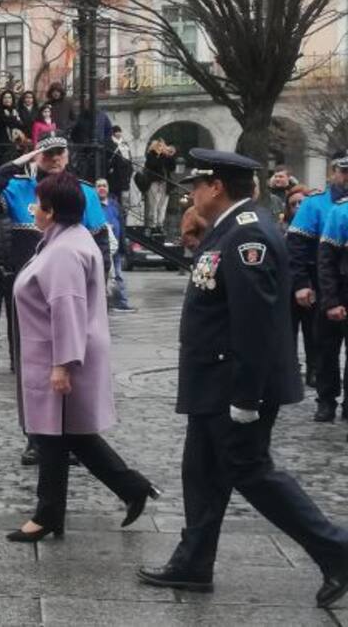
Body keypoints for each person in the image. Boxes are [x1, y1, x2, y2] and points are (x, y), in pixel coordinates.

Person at [138, 150, 348, 610]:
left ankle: (336, 549)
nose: (191, 194)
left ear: (216, 187)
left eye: (196, 185)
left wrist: (246, 396)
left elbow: (255, 324)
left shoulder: (247, 234)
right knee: (201, 472)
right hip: (212, 382)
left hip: (231, 382)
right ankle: (194, 560)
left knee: (252, 473)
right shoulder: (232, 228)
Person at [8, 172, 158, 543]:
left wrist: (63, 363)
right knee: (61, 436)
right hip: (56, 352)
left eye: (39, 205)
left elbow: (66, 308)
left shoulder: (63, 251)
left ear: (52, 210)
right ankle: (63, 508)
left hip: (56, 355)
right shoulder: (67, 241)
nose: (33, 210)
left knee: (59, 436)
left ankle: (54, 512)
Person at [0, 132, 111, 466]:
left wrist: (98, 288)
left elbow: (101, 244)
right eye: (46, 153)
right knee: (31, 370)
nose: (54, 159)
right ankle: (36, 438)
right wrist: (14, 164)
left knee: (72, 368)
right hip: (30, 298)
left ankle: (74, 437)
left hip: (71, 294)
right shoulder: (19, 188)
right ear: (36, 156)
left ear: (68, 155)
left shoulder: (85, 192)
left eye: (59, 152)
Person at [291, 152, 348, 421]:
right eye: (344, 171)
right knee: (325, 348)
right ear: (333, 172)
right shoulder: (315, 205)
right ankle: (326, 400)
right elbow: (298, 249)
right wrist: (301, 284)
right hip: (323, 285)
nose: (347, 177)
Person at [315, 179, 348, 427]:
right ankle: (326, 401)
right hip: (340, 293)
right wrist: (330, 300)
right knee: (328, 351)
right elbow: (326, 260)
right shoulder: (341, 211)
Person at [286, 187, 318, 387]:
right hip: (286, 288)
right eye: (293, 204)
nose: (298, 207)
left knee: (313, 332)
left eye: (302, 203)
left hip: (312, 285)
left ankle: (313, 369)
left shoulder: (317, 227)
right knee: (288, 332)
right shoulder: (281, 228)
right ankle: (290, 369)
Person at [97, 178, 136, 313]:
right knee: (102, 277)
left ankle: (122, 303)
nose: (102, 188)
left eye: (104, 185)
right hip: (101, 248)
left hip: (116, 247)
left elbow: (122, 225)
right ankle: (104, 305)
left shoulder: (114, 205)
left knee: (118, 275)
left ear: (108, 188)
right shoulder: (94, 205)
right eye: (99, 186)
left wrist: (123, 244)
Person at [144, 139, 178, 231]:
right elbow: (153, 165)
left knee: (162, 206)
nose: (161, 148)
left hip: (165, 183)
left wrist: (169, 155)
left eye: (162, 146)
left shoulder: (165, 156)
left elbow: (172, 167)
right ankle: (153, 226)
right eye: (158, 146)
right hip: (154, 182)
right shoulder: (150, 155)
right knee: (153, 205)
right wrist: (159, 155)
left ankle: (160, 225)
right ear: (154, 147)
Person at [0, 90, 24, 168]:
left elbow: (20, 125)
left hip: (14, 145)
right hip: (1, 146)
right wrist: (14, 119)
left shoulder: (15, 111)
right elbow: (8, 122)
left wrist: (13, 119)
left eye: (9, 97)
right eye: (5, 98)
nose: (7, 99)